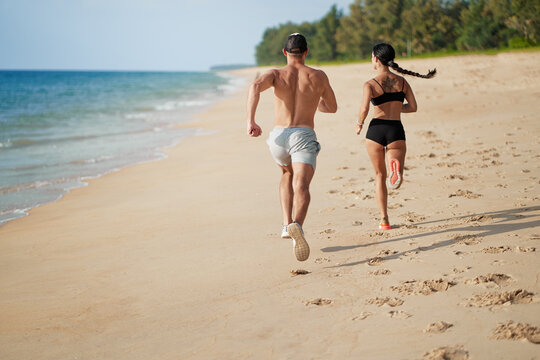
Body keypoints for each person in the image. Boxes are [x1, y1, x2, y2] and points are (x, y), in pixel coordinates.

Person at [246, 33, 337, 261]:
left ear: (285, 53)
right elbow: (332, 107)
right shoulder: (318, 75)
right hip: (303, 135)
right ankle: (297, 225)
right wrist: (315, 101)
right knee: (302, 184)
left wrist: (251, 121)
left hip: (278, 136)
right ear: (306, 52)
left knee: (286, 174)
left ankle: (286, 225)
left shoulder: (275, 74)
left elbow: (255, 86)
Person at [355, 43, 435, 230]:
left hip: (376, 129)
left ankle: (384, 220)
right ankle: (395, 167)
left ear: (376, 59)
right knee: (393, 165)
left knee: (379, 175)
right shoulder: (403, 82)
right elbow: (413, 107)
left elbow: (364, 109)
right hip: (395, 128)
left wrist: (359, 124)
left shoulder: (370, 84)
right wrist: (397, 108)